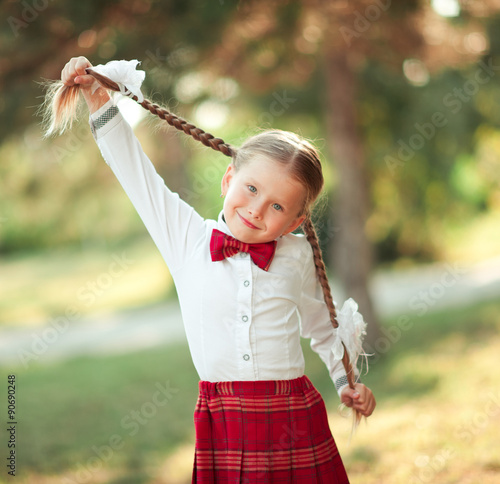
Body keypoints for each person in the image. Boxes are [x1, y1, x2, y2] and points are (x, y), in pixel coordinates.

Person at [54, 56, 376, 483]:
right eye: (251, 189)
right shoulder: (186, 237)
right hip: (223, 417)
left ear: (296, 222)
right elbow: (138, 177)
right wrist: (99, 98)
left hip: (294, 414)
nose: (257, 210)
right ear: (228, 181)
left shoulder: (296, 256)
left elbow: (321, 328)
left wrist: (346, 384)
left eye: (277, 206)